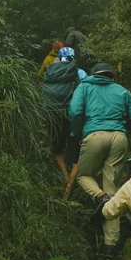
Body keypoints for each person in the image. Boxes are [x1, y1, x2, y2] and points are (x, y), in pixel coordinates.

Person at [69, 62, 131, 256]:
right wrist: (120, 125)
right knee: (112, 187)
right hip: (119, 138)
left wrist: (76, 134)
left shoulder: (84, 86)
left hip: (93, 136)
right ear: (111, 76)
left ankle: (100, 198)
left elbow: (75, 112)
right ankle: (110, 245)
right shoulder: (122, 90)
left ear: (94, 75)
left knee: (84, 175)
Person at [42, 47, 87, 197]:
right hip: (71, 114)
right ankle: (70, 188)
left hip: (53, 114)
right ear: (74, 59)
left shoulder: (50, 71)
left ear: (59, 58)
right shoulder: (79, 73)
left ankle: (65, 175)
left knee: (57, 147)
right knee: (75, 146)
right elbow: (85, 92)